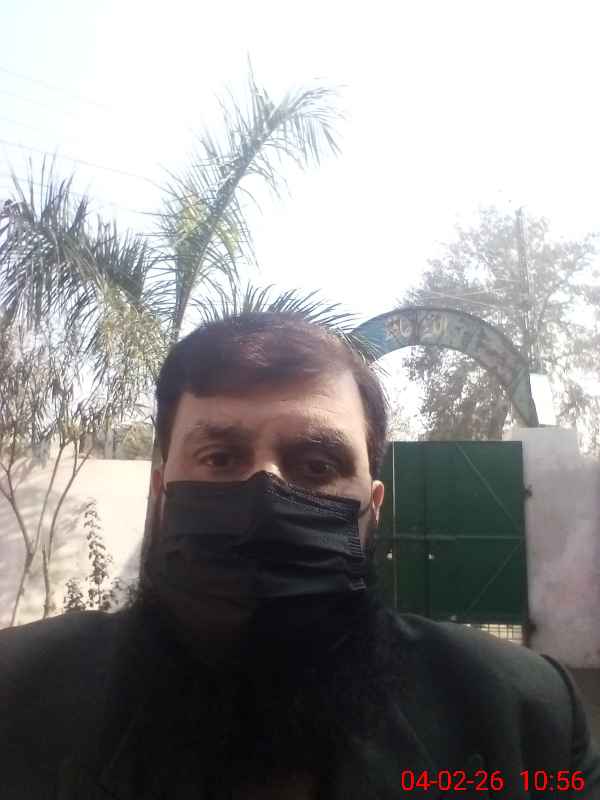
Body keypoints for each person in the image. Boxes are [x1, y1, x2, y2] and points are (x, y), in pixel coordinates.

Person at [1, 310, 599, 799]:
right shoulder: (17, 694)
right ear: (161, 493)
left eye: (316, 464)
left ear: (373, 507)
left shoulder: (526, 722)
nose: (264, 493)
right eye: (219, 457)